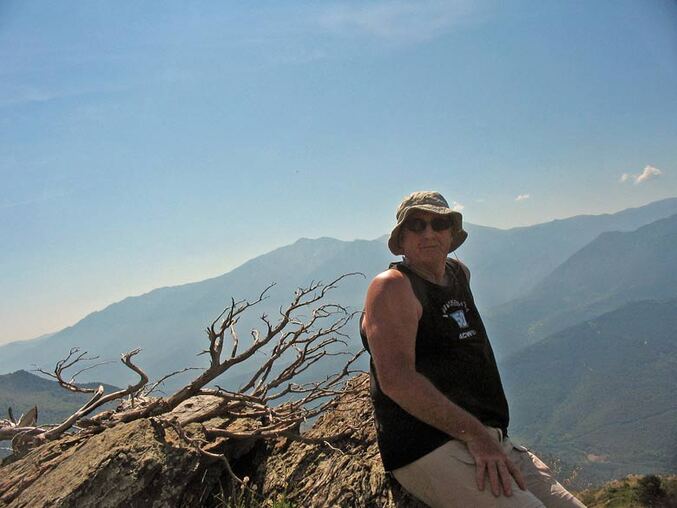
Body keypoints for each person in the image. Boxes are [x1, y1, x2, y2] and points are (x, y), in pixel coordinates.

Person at [360, 191, 585, 508]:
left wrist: (492, 440)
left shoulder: (458, 274)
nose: (429, 233)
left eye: (438, 223)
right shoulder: (392, 287)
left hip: (485, 436)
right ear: (402, 238)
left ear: (451, 233)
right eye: (417, 225)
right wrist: (476, 436)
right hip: (428, 446)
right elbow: (396, 379)